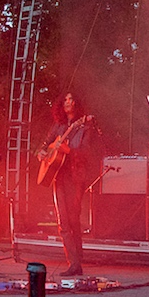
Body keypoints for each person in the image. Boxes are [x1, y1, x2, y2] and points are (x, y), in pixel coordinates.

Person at [36, 92, 97, 276]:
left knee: (72, 219)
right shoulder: (58, 126)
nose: (68, 102)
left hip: (75, 176)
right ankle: (74, 263)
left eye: (71, 99)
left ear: (77, 103)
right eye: (65, 100)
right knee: (63, 221)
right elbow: (45, 144)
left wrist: (68, 150)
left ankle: (77, 261)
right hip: (58, 176)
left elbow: (87, 153)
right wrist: (41, 153)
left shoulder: (83, 126)